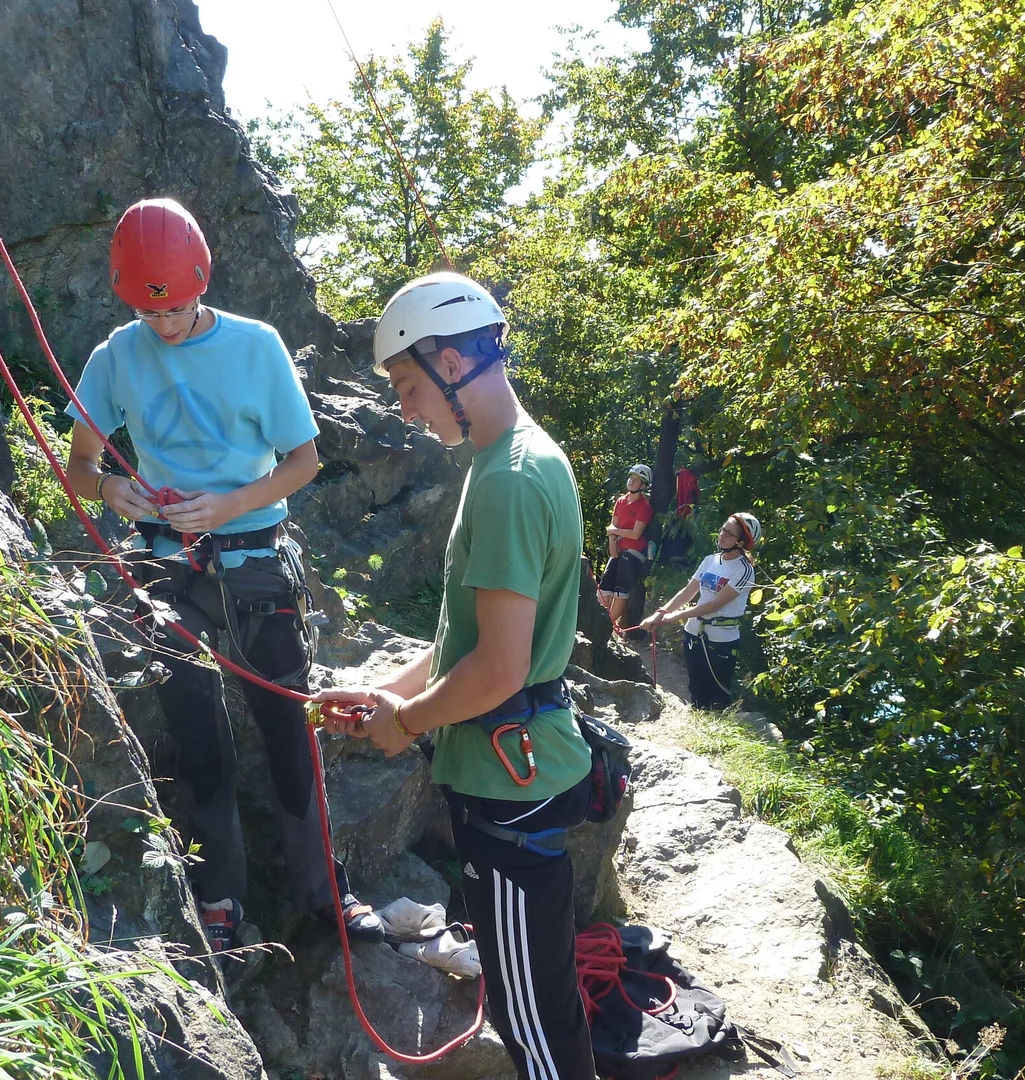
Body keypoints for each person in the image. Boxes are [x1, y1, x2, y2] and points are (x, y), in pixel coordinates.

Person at [64, 198, 383, 959]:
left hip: (253, 556)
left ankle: (322, 891)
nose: (165, 324)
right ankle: (220, 897)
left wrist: (231, 502)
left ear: (201, 277)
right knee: (195, 733)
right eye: (150, 311)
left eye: (174, 308)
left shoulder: (256, 346)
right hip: (162, 564)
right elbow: (76, 466)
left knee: (287, 722)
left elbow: (303, 461)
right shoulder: (115, 355)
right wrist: (111, 488)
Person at [314, 271, 597, 1080]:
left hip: (507, 788)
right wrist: (387, 696)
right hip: (517, 764)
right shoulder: (511, 457)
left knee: (528, 1011)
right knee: (533, 990)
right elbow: (461, 642)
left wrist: (404, 726)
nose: (405, 408)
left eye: (407, 386)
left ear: (447, 360)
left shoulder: (507, 479)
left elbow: (500, 668)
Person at [640, 512, 760, 708]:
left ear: (741, 541)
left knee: (717, 696)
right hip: (694, 633)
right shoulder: (710, 560)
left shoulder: (744, 570)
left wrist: (676, 616)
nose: (722, 535)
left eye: (729, 533)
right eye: (722, 529)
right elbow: (687, 592)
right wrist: (660, 613)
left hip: (721, 639)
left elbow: (715, 604)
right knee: (696, 690)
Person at [596, 464, 654, 634]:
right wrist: (611, 542)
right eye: (631, 477)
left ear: (643, 485)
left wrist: (614, 532)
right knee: (605, 583)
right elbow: (613, 524)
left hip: (634, 552)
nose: (631, 481)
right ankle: (597, 620)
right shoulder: (621, 501)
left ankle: (609, 627)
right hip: (619, 548)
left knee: (621, 587)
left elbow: (635, 535)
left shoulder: (644, 507)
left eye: (636, 479)